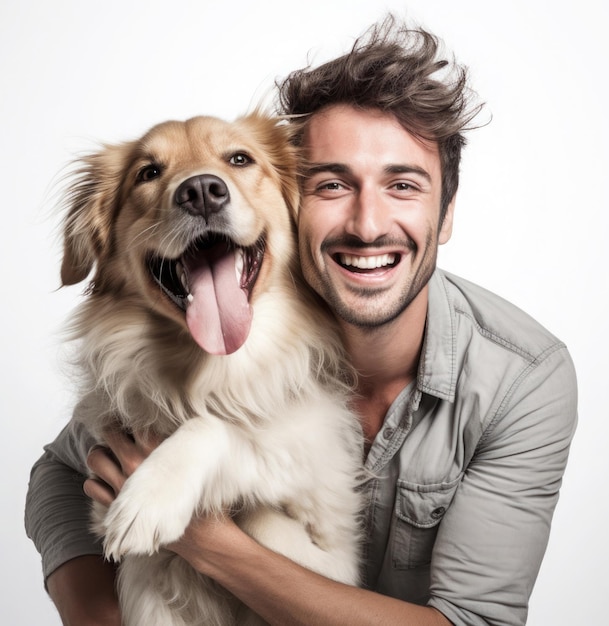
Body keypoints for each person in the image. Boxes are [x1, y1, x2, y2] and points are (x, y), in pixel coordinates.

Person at [25, 16, 577, 626]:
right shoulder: (194, 348)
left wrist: (208, 540)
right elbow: (61, 469)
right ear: (296, 204)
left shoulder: (521, 379)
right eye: (334, 184)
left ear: (446, 215)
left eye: (403, 185)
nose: (367, 225)